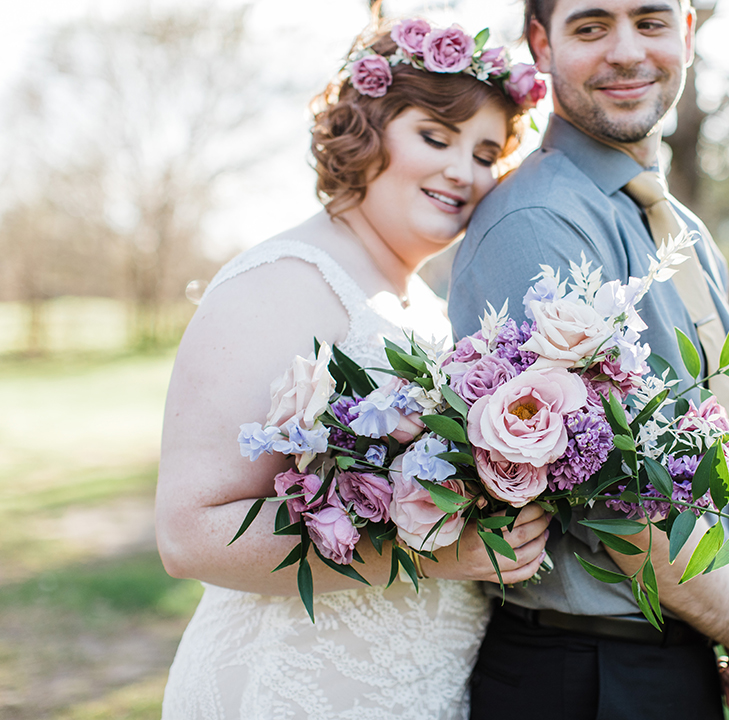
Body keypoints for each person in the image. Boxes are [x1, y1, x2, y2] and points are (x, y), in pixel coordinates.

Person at [155, 19, 552, 719]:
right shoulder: (280, 282)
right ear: (366, 130)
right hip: (291, 692)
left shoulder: (428, 306)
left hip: (419, 690)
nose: (464, 170)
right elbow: (190, 535)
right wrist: (442, 552)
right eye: (436, 136)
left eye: (487, 153)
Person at [447, 1, 729, 719]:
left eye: (650, 22)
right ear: (540, 45)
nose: (625, 52)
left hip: (679, 652)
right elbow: (614, 495)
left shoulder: (679, 229)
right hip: (587, 678)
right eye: (590, 27)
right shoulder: (537, 224)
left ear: (686, 33)